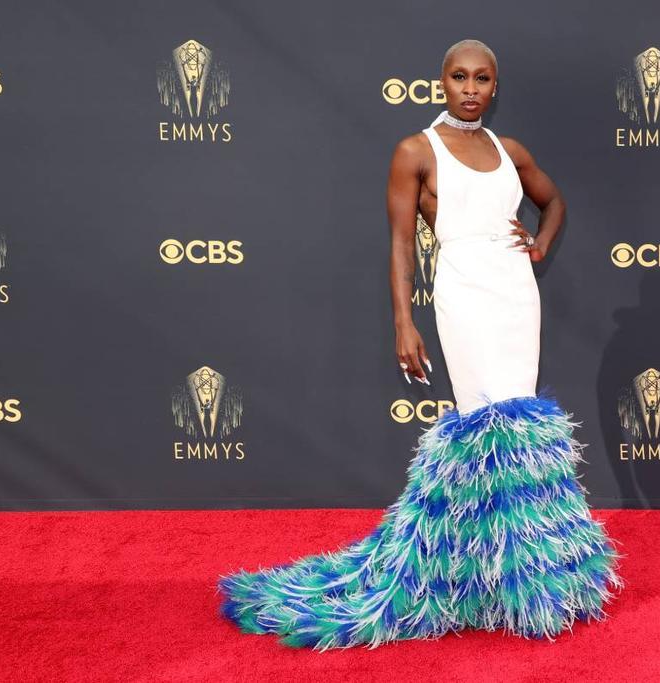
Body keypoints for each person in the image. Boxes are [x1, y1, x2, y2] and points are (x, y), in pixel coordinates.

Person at [217, 39, 625, 650]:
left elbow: (554, 200)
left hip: (517, 296)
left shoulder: (509, 151)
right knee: (485, 424)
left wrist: (539, 244)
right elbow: (402, 244)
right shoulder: (416, 150)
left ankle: (507, 576)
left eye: (481, 79)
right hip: (461, 294)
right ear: (441, 82)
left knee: (519, 432)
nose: (469, 88)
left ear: (494, 86)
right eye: (458, 77)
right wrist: (404, 322)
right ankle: (466, 571)